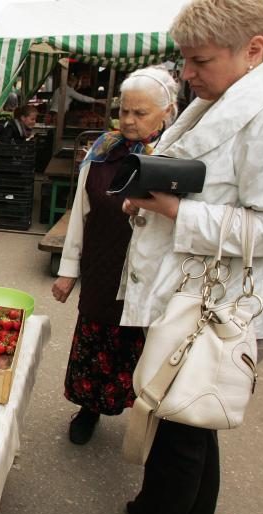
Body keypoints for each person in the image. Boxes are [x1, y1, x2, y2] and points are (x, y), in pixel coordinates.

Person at [90, 1, 263, 514]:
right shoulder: (226, 97)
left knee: (180, 435)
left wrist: (179, 212)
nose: (186, 73)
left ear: (254, 49)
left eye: (200, 60)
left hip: (223, 310)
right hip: (200, 300)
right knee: (194, 422)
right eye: (184, 59)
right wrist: (151, 192)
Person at [51, 66, 178, 445]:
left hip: (154, 272)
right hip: (104, 262)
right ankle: (89, 409)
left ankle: (149, 420)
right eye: (124, 110)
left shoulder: (177, 158)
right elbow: (80, 214)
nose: (128, 120)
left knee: (146, 347)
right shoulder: (102, 153)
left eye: (140, 113)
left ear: (167, 112)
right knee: (96, 339)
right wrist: (68, 270)